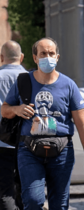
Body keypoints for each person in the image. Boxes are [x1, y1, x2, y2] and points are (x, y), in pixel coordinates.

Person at [1, 37, 84, 210]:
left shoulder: (69, 85)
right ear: (35, 58)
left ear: (57, 57)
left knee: (59, 204)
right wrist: (17, 110)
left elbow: (82, 123)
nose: (48, 57)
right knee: (32, 200)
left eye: (51, 53)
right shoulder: (23, 82)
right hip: (29, 150)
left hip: (62, 151)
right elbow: (5, 110)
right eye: (43, 53)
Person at [0, 41, 26, 210]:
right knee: (25, 189)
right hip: (27, 142)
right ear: (22, 57)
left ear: (1, 57)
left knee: (5, 191)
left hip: (1, 142)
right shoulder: (32, 78)